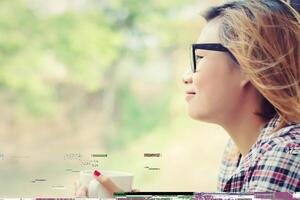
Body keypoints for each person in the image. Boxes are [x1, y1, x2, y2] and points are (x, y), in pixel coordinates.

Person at [76, 0, 300, 196]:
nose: (186, 76)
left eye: (200, 58)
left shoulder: (286, 150)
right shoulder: (236, 152)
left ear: (248, 65)